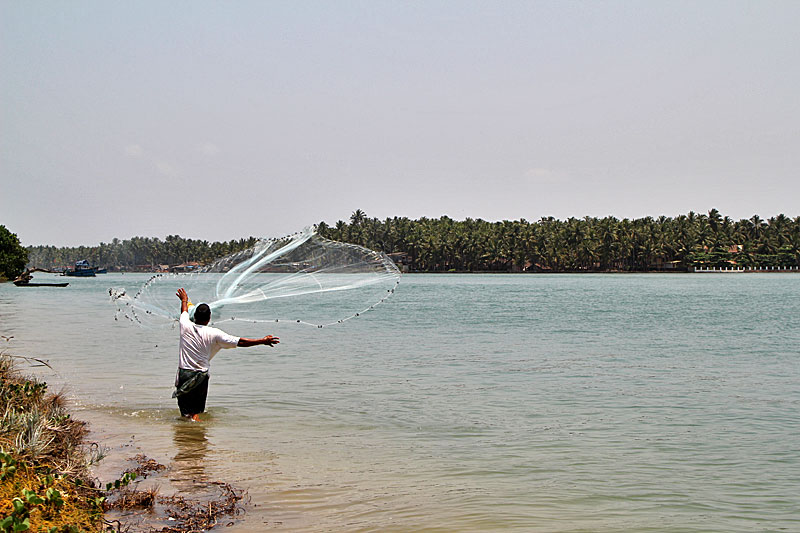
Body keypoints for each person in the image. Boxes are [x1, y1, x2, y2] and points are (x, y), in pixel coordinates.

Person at [174, 287, 279, 421]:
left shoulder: (185, 325)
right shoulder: (214, 333)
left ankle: (187, 435)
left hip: (185, 374)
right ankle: (197, 436)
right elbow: (240, 342)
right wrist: (262, 341)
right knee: (198, 411)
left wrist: (184, 300)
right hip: (201, 376)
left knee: (185, 412)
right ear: (209, 318)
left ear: (194, 317)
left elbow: (184, 310)